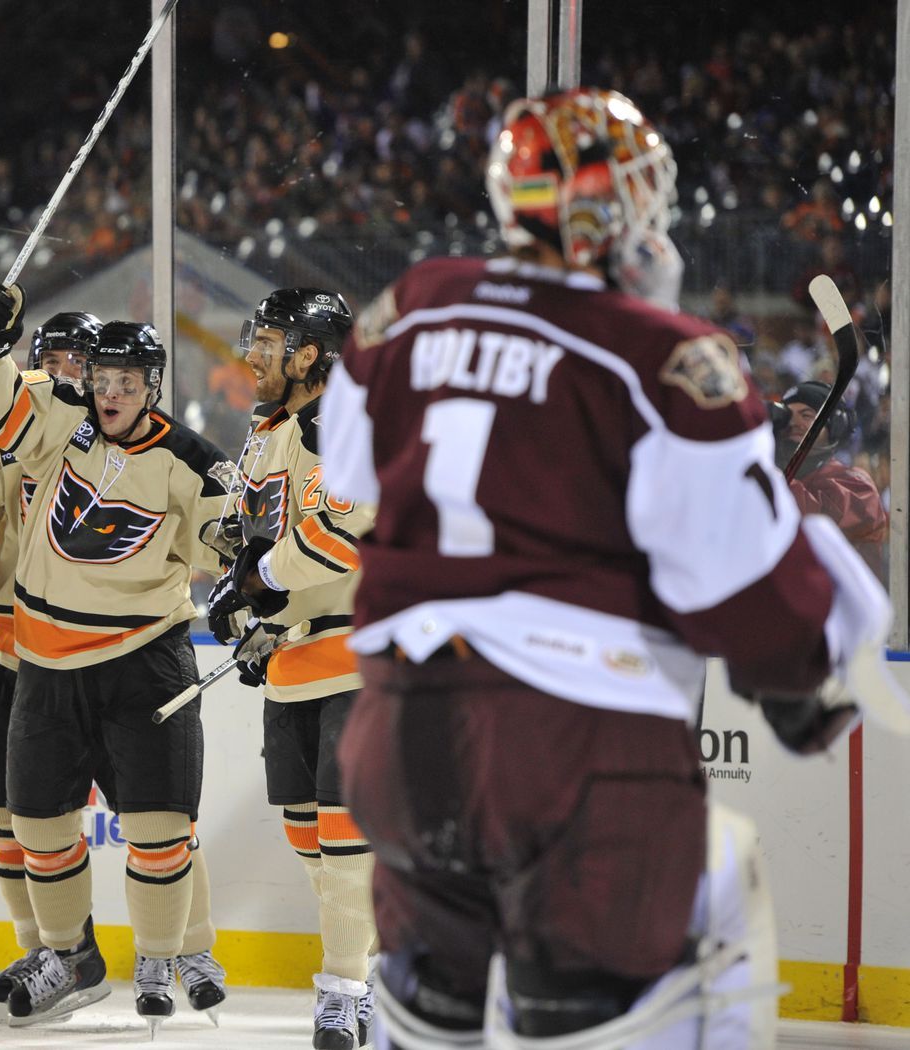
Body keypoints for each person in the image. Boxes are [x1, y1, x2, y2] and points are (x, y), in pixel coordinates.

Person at [319, 87, 900, 1049]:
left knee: (431, 1017)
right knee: (689, 944)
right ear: (616, 210)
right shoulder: (668, 357)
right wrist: (812, 676)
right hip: (578, 745)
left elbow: (352, 466)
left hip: (397, 732)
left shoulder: (409, 305)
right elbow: (754, 596)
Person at [0, 311, 229, 1027]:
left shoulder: (147, 449)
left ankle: (182, 947)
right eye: (73, 366)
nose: (88, 382)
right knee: (16, 822)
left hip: (132, 654)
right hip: (29, 652)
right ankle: (51, 951)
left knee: (158, 815)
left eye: (104, 371)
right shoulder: (33, 431)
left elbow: (217, 540)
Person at [205, 288, 378, 1050]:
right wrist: (238, 602)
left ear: (310, 354)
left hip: (358, 657)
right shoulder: (270, 432)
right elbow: (248, 539)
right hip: (293, 662)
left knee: (343, 844)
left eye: (269, 341)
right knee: (312, 842)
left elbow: (344, 535)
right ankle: (374, 955)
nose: (253, 354)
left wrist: (257, 580)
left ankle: (347, 990)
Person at [773, 380, 889, 577]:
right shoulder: (775, 474)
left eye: (806, 415)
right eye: (787, 415)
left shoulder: (856, 485)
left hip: (838, 602)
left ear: (835, 426)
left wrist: (768, 477)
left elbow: (814, 521)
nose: (793, 423)